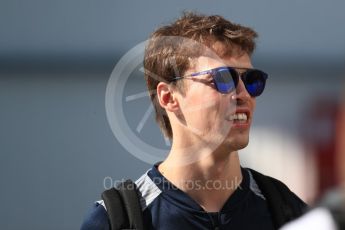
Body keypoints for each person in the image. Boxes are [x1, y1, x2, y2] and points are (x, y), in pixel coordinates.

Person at [81, 12, 307, 230]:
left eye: (252, 80)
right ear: (168, 97)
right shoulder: (118, 219)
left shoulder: (289, 213)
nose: (244, 94)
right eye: (223, 78)